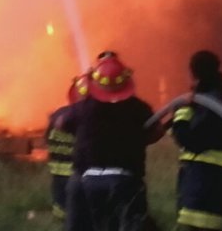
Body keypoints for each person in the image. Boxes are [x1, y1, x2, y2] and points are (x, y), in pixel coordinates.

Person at [59, 54, 165, 231]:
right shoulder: (137, 107)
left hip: (89, 180)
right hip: (125, 180)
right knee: (131, 224)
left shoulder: (85, 106)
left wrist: (81, 131)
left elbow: (61, 123)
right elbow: (158, 131)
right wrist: (139, 139)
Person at [168, 51, 222, 231]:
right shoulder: (219, 100)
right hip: (218, 194)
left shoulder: (209, 105)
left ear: (192, 73)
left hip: (207, 197)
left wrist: (181, 113)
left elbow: (190, 140)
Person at [47, 76, 88, 219]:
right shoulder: (86, 118)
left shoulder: (57, 115)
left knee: (62, 212)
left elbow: (48, 140)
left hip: (57, 173)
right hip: (78, 175)